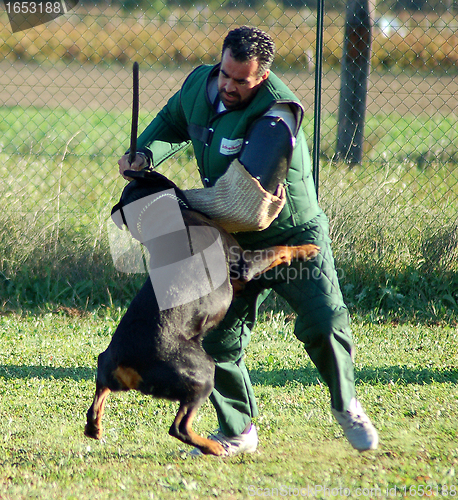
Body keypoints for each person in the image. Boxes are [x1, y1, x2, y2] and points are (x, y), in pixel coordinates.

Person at [118, 26, 378, 456]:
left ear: (263, 76)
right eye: (225, 74)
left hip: (290, 236)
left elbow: (243, 204)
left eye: (242, 80)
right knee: (214, 340)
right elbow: (171, 121)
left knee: (324, 322)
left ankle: (346, 402)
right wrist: (145, 154)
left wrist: (171, 202)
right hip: (228, 242)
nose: (229, 86)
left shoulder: (279, 114)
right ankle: (238, 430)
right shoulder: (199, 85)